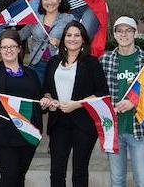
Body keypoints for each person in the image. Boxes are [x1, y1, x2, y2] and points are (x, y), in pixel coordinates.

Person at [39, 21, 109, 187]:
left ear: (84, 39)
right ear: (63, 39)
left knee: (80, 171)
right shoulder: (53, 61)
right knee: (56, 171)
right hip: (58, 123)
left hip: (84, 123)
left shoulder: (92, 63)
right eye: (69, 35)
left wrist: (76, 104)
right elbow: (46, 89)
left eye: (77, 35)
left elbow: (102, 94)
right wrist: (48, 99)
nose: (73, 39)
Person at [0, 29, 42, 187]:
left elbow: (37, 101)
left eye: (12, 46)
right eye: (4, 47)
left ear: (19, 48)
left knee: (19, 178)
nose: (9, 50)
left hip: (27, 134)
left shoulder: (31, 74)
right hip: (0, 133)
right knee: (10, 176)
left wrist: (44, 102)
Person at [100, 16, 144, 187]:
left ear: (135, 33)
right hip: (114, 129)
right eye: (120, 31)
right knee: (117, 180)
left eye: (128, 30)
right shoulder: (104, 61)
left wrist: (135, 102)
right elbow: (98, 93)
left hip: (138, 129)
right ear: (114, 34)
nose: (124, 34)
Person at [19, 0, 74, 84]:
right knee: (38, 96)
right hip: (36, 65)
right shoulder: (35, 18)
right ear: (41, 1)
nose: (49, 2)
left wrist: (61, 43)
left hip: (60, 65)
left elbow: (78, 40)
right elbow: (21, 35)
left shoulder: (69, 19)